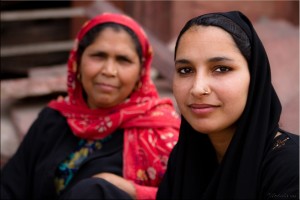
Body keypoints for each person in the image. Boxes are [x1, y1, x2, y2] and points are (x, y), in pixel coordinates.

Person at [1, 13, 180, 200]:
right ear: (77, 62)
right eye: (98, 56)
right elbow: (10, 186)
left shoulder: (160, 134)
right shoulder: (53, 120)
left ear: (141, 73)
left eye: (123, 60)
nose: (109, 71)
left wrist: (131, 190)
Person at [156, 11, 299, 200]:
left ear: (254, 77)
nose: (198, 88)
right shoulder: (185, 158)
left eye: (221, 69)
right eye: (185, 70)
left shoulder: (290, 166)